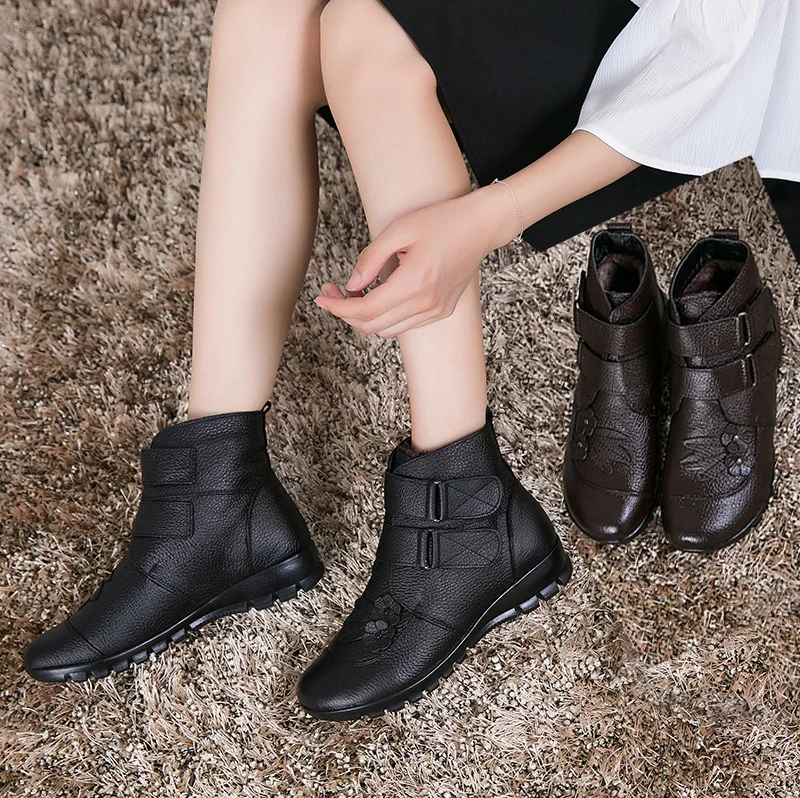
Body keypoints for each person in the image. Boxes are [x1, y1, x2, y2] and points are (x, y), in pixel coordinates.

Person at [23, 0, 795, 721]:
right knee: (266, 8)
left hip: (691, 52)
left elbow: (712, 51)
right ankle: (214, 492)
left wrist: (490, 217)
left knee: (368, 34)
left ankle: (464, 503)